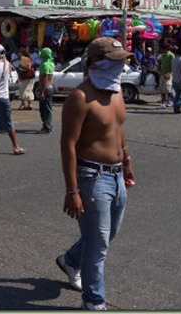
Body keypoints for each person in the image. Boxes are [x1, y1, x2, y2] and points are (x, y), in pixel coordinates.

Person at [56, 37, 135, 311]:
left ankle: (70, 260)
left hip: (115, 175)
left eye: (121, 60)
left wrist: (126, 159)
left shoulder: (116, 92)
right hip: (91, 177)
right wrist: (72, 190)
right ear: (95, 63)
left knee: (106, 235)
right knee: (99, 245)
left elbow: (117, 128)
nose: (121, 65)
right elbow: (68, 145)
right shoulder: (80, 97)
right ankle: (94, 301)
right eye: (115, 61)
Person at [37, 47, 55, 133]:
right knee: (48, 108)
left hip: (46, 88)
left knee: (44, 109)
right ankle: (48, 125)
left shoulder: (44, 64)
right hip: (50, 87)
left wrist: (42, 92)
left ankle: (47, 127)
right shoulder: (51, 63)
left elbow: (44, 78)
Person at [158, 44, 175, 109]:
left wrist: (170, 73)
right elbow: (161, 63)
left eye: (162, 49)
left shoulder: (171, 55)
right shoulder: (162, 55)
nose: (161, 50)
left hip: (168, 75)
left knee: (169, 90)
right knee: (162, 90)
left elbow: (173, 66)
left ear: (165, 49)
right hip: (162, 74)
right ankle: (163, 104)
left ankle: (176, 102)